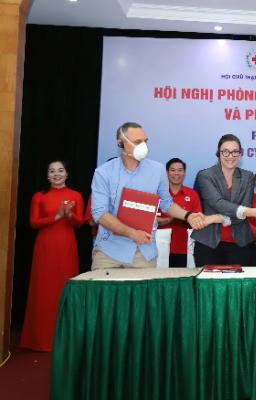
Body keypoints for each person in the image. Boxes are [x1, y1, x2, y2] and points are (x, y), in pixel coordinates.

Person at [90, 122, 206, 269]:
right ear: (120, 143)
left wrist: (188, 215)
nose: (143, 146)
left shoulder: (157, 170)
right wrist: (132, 233)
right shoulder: (103, 172)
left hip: (144, 253)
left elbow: (167, 204)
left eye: (145, 141)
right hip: (109, 253)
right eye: (137, 141)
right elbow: (100, 213)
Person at [20, 160, 84, 352]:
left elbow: (80, 223)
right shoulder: (39, 196)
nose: (57, 174)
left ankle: (65, 340)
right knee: (43, 290)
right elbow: (33, 222)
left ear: (67, 174)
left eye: (60, 170)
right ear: (47, 175)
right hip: (45, 247)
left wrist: (69, 215)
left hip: (66, 247)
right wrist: (56, 217)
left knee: (64, 288)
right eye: (52, 171)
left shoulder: (75, 195)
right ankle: (39, 339)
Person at [192, 134, 256, 266]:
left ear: (240, 154)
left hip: (240, 242)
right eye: (225, 151)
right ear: (219, 153)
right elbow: (218, 203)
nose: (230, 156)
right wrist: (251, 211)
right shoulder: (205, 175)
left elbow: (244, 208)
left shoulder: (247, 176)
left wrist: (213, 218)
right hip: (208, 242)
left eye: (235, 151)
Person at [157, 158, 202, 267]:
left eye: (180, 170)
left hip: (184, 249)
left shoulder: (192, 194)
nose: (176, 173)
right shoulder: (157, 193)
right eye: (172, 170)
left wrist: (183, 216)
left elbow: (198, 220)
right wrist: (168, 219)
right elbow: (149, 220)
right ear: (167, 173)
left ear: (184, 173)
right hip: (159, 248)